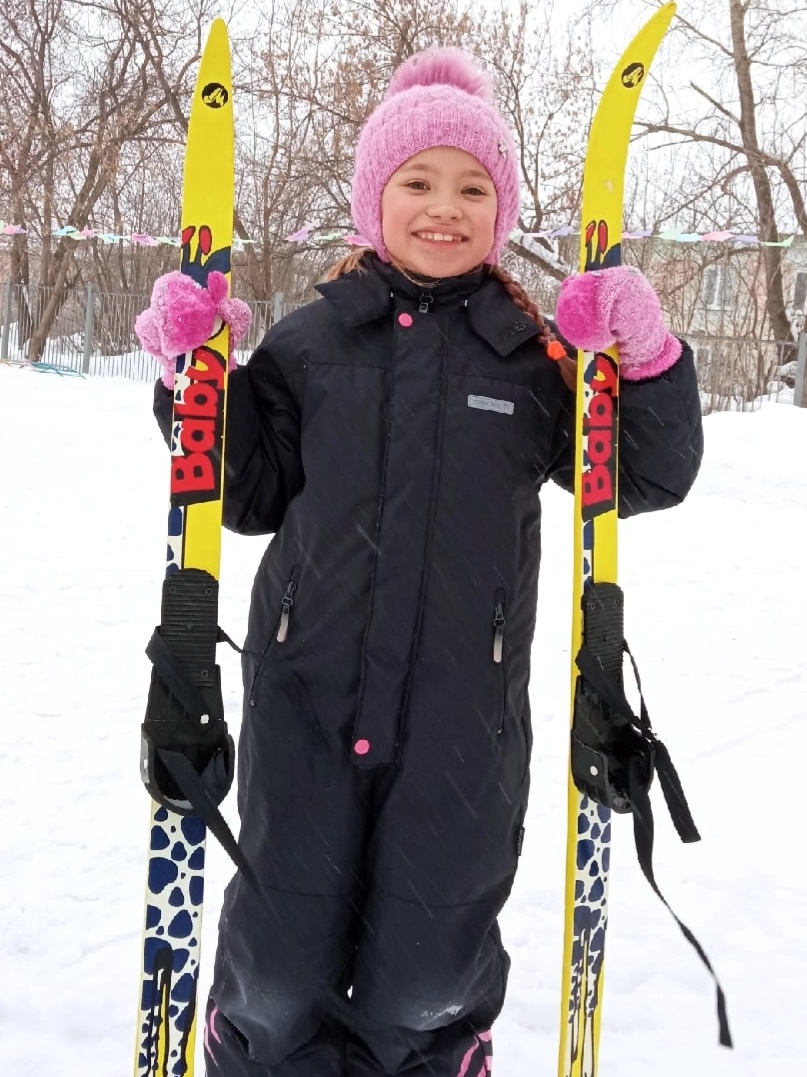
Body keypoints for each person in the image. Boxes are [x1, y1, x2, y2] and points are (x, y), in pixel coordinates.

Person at [139, 47, 703, 1077]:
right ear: (371, 200)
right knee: (276, 973)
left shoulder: (533, 363)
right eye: (417, 182)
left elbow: (647, 476)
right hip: (304, 703)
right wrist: (195, 373)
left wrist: (645, 353)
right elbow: (243, 490)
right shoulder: (312, 344)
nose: (445, 208)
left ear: (502, 209)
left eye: (473, 187)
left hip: (462, 726)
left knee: (425, 978)